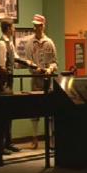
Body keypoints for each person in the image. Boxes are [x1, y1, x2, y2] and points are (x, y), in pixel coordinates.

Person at [29, 13, 57, 148]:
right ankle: (35, 137)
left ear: (43, 26)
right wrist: (34, 69)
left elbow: (54, 62)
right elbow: (28, 61)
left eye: (39, 26)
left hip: (48, 81)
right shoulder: (30, 43)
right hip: (35, 80)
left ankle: (51, 138)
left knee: (50, 111)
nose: (36, 28)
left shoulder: (49, 43)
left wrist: (50, 69)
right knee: (34, 109)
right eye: (35, 26)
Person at [0, 19, 21, 155]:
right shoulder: (2, 44)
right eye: (13, 27)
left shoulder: (9, 43)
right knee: (3, 113)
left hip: (9, 81)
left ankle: (8, 142)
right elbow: (1, 66)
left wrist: (29, 63)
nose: (14, 29)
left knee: (9, 112)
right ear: (8, 28)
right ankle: (1, 145)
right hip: (3, 82)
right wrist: (5, 80)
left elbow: (15, 58)